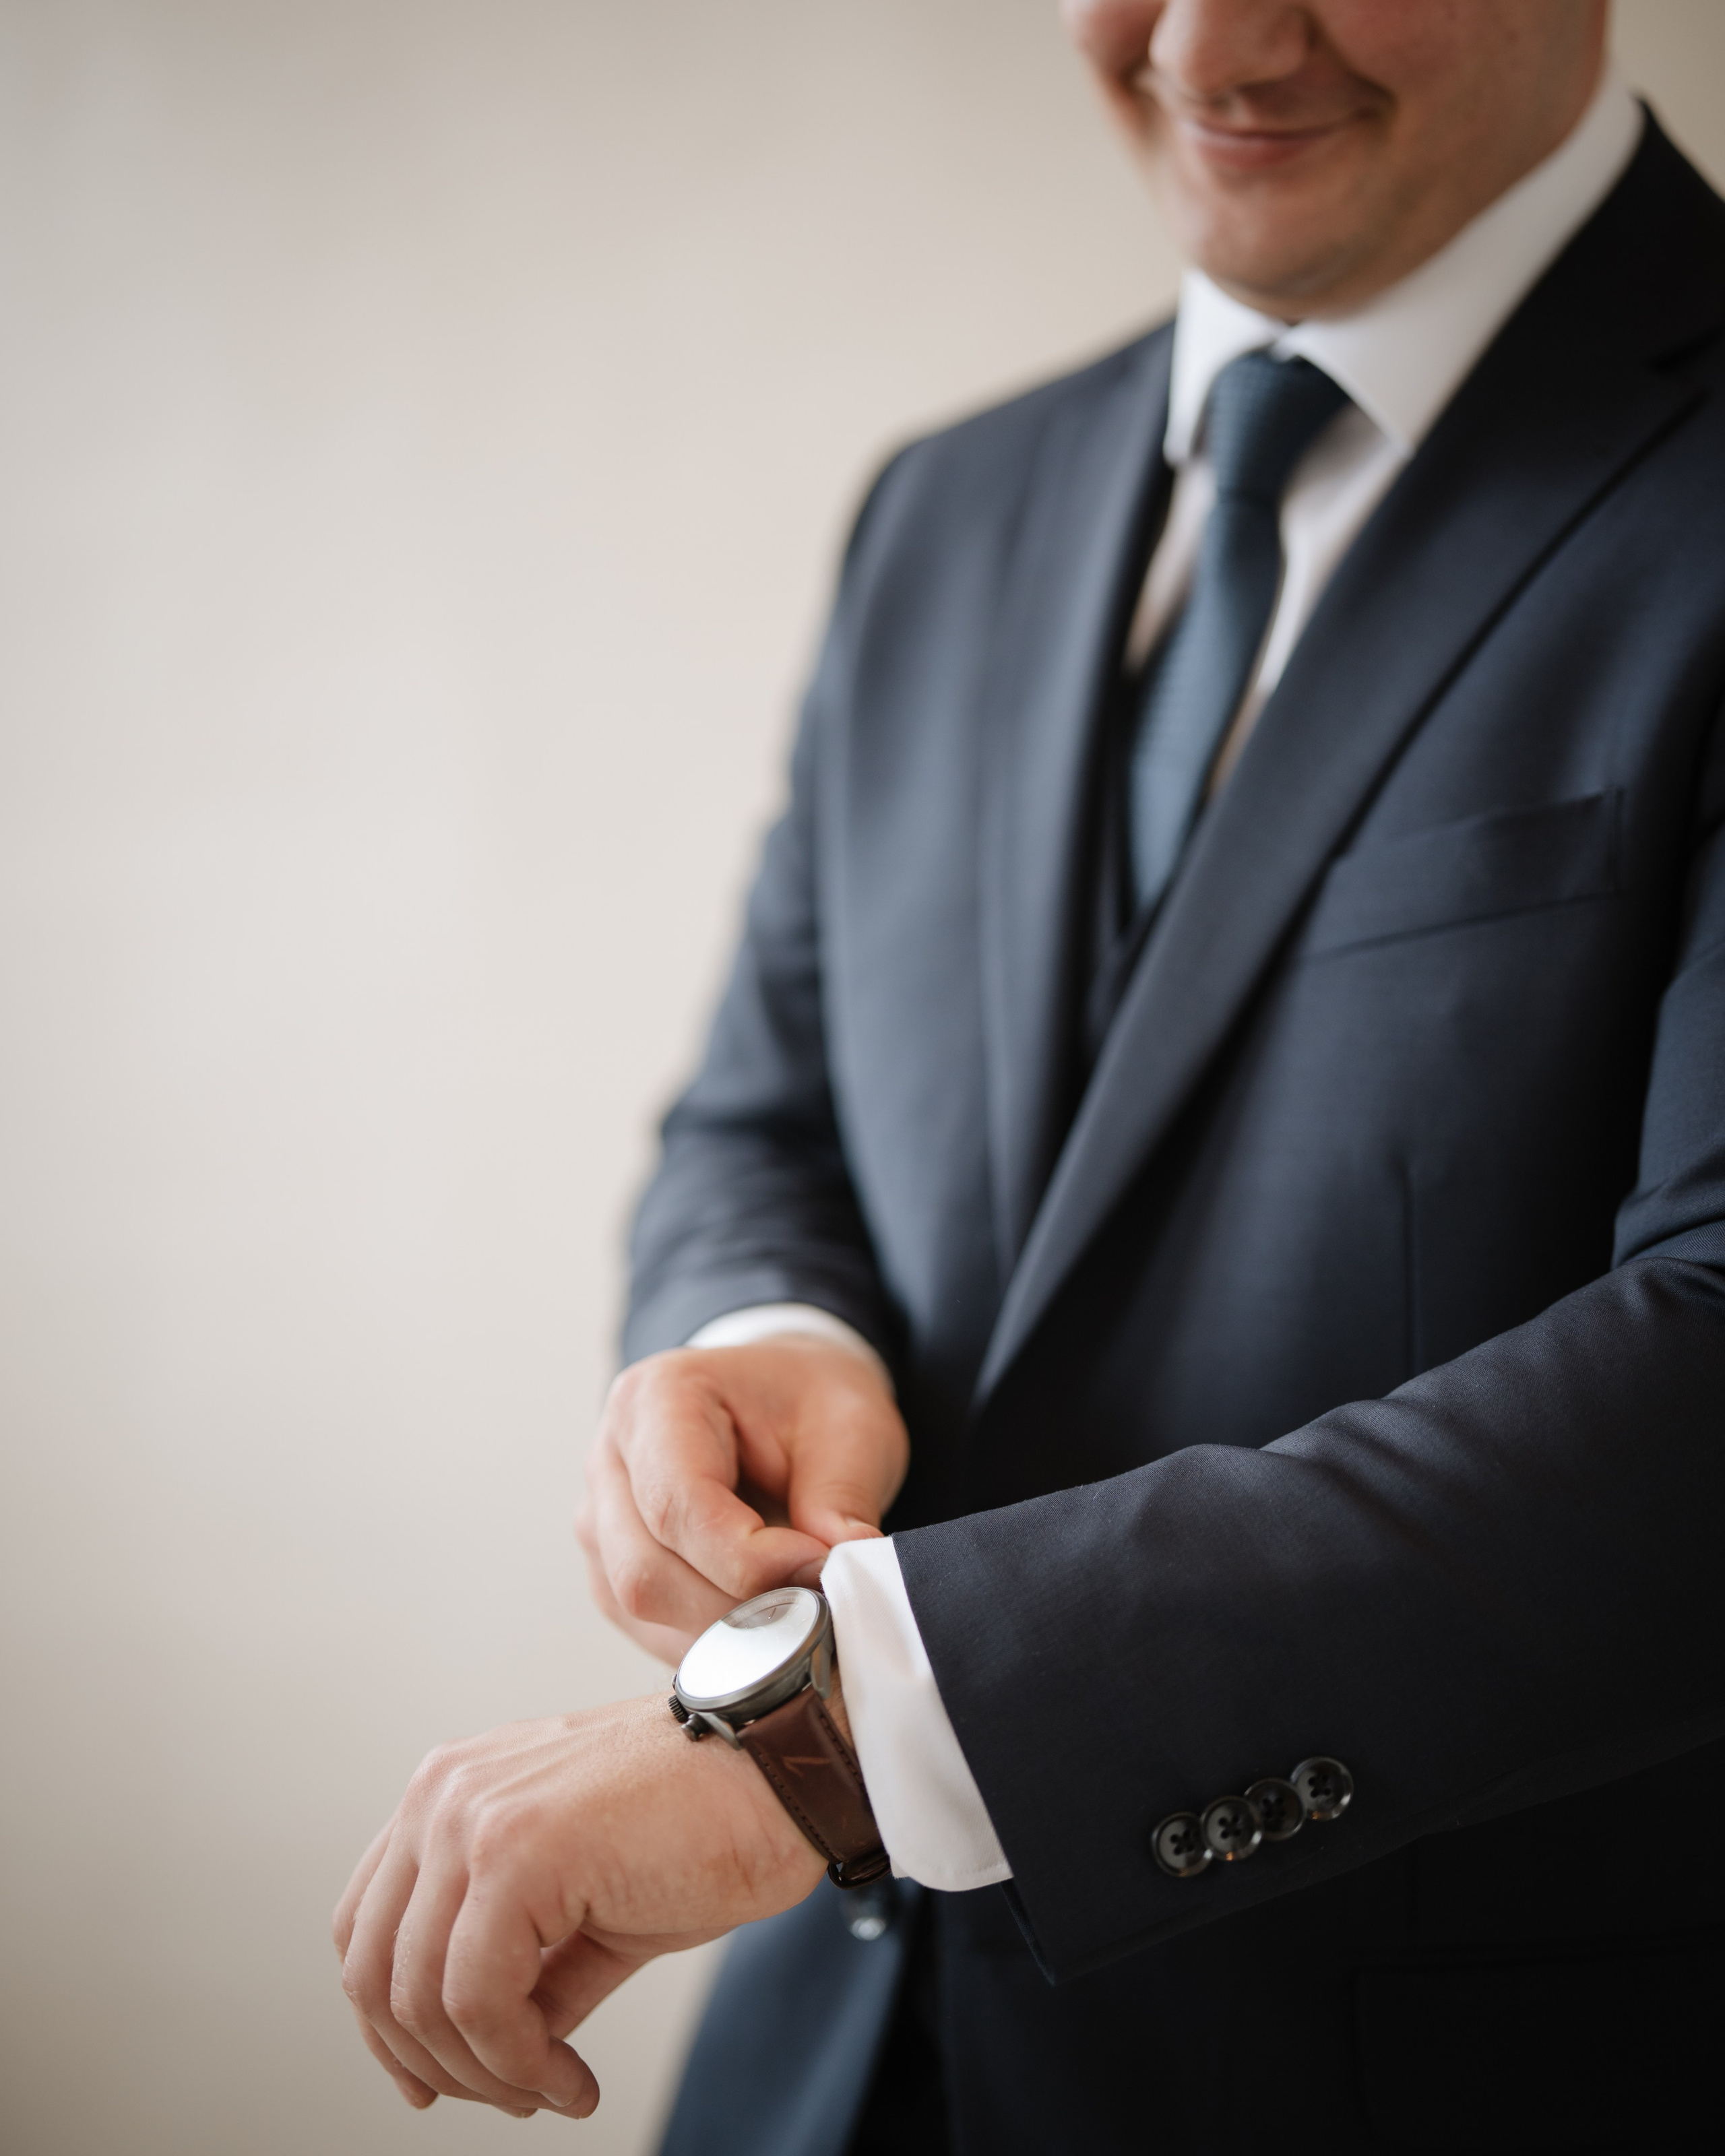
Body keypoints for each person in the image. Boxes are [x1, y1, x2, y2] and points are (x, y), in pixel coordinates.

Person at [334, 2, 1725, 2147]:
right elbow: (761, 1117)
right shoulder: (945, 512)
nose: (1209, 37)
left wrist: (843, 1736)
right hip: (824, 2069)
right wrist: (771, 1338)